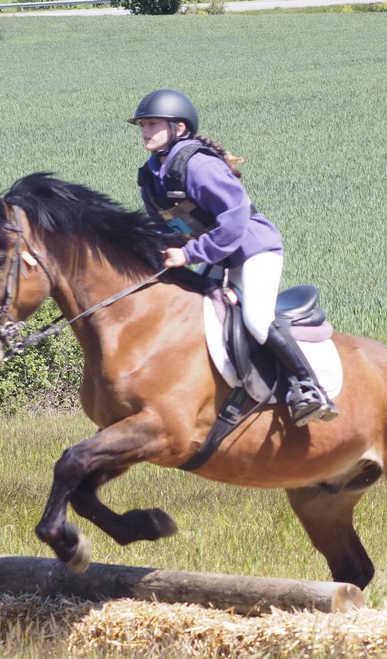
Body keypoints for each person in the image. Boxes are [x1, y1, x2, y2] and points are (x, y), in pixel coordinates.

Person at [129, 88, 338, 427]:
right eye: (142, 125)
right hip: (219, 256)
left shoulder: (198, 165)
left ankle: (309, 388)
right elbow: (168, 228)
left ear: (179, 128)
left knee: (256, 318)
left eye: (152, 123)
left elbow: (235, 219)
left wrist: (189, 253)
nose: (145, 130)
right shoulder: (152, 175)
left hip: (253, 250)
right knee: (193, 315)